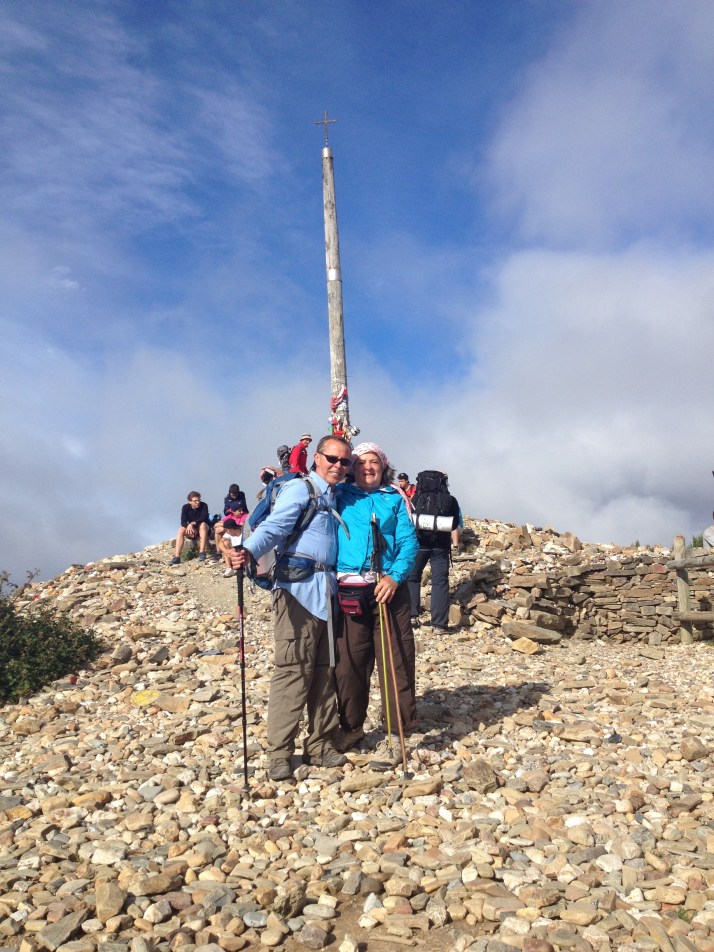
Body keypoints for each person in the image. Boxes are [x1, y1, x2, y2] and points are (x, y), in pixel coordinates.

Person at [228, 435, 350, 781]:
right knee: (293, 670)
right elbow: (276, 525)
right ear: (316, 458)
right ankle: (279, 753)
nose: (338, 466)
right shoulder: (302, 489)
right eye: (332, 458)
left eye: (344, 461)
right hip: (297, 591)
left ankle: (320, 744)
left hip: (326, 592)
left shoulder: (333, 495)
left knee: (326, 670)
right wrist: (249, 550)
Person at [333, 442, 419, 758]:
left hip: (388, 590)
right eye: (361, 462)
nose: (368, 467)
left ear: (383, 466)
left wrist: (394, 577)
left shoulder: (394, 499)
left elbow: (409, 543)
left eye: (374, 462)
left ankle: (397, 733)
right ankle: (351, 727)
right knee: (349, 664)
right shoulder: (339, 496)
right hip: (350, 590)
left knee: (395, 660)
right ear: (352, 467)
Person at [407, 472, 461, 631]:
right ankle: (439, 624)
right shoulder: (450, 500)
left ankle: (412, 616)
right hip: (441, 546)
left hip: (419, 544)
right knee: (439, 582)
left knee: (413, 577)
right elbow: (454, 525)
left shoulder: (415, 498)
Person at [169, 491, 211, 565]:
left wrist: (192, 523)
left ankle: (202, 552)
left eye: (199, 500)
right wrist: (188, 526)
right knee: (181, 529)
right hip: (192, 530)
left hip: (203, 528)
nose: (197, 502)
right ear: (189, 502)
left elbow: (204, 517)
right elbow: (183, 522)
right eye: (195, 501)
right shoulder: (185, 507)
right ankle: (177, 557)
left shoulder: (204, 505)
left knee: (203, 525)